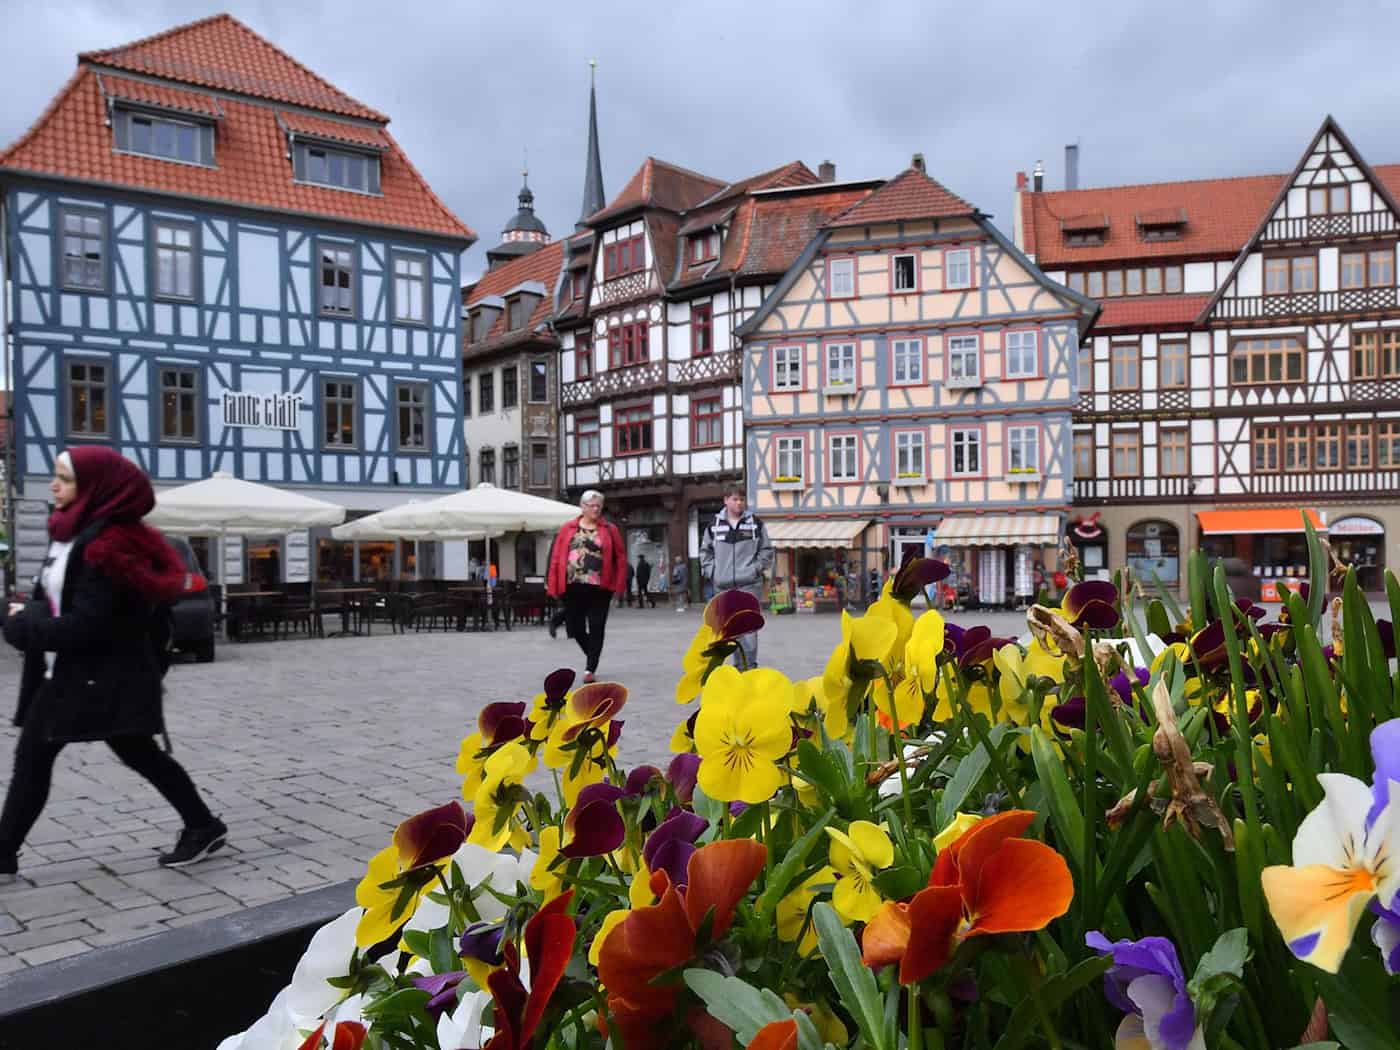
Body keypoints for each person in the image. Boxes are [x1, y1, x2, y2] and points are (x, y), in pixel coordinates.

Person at [0, 448, 226, 881]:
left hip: (103, 675)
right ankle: (203, 824)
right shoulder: (70, 534)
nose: (54, 486)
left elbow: (89, 625)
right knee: (52, 756)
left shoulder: (108, 546)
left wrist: (22, 627)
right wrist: (26, 613)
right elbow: (51, 600)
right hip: (73, 673)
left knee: (111, 752)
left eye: (65, 479)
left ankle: (203, 825)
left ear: (96, 487)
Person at [545, 490, 626, 683]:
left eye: (599, 506)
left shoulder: (610, 529)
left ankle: (590, 669)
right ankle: (592, 653)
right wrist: (552, 583)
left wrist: (619, 585)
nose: (596, 509)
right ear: (582, 507)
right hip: (573, 586)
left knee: (597, 627)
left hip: (600, 587)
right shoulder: (568, 528)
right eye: (592, 505)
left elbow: (620, 558)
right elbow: (556, 557)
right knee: (575, 627)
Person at [699, 484, 774, 668]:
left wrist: (755, 570)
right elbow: (705, 552)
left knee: (749, 631)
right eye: (735, 499)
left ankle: (748, 670)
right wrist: (713, 573)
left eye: (742, 499)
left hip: (749, 586)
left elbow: (766, 551)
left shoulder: (755, 524)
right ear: (726, 500)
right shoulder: (714, 526)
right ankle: (735, 671)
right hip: (722, 587)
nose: (739, 503)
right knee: (728, 632)